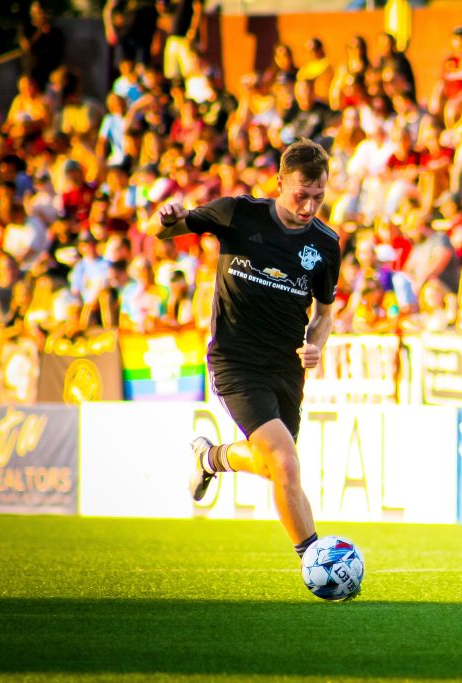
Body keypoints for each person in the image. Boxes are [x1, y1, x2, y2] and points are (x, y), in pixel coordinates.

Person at [151, 139, 343, 572]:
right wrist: (165, 219)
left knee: (275, 465)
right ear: (278, 183)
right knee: (285, 463)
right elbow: (166, 229)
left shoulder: (326, 244)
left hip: (287, 368)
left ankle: (211, 458)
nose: (310, 206)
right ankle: (318, 563)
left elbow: (325, 313)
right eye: (301, 194)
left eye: (319, 196)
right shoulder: (237, 214)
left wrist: (316, 344)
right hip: (236, 363)